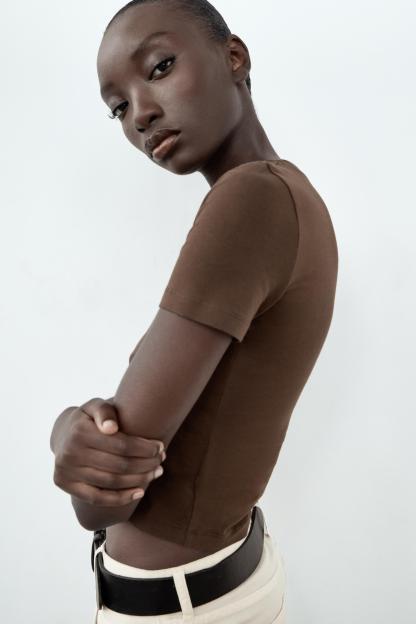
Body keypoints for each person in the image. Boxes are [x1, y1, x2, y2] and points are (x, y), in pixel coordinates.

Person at [50, 0, 338, 622]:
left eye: (159, 67)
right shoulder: (288, 192)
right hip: (217, 583)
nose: (140, 115)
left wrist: (67, 430)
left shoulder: (251, 200)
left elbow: (100, 504)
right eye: (118, 107)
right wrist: (72, 431)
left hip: (182, 607)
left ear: (234, 56)